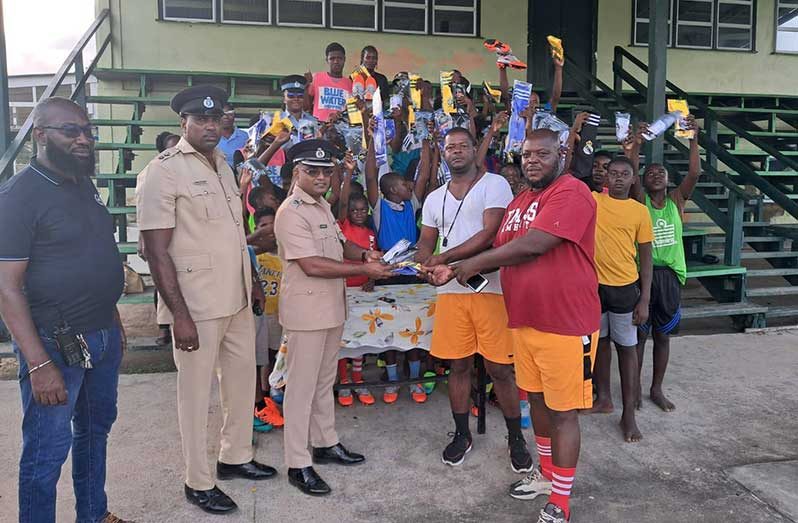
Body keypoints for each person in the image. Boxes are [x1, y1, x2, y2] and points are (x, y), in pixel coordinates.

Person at [431, 129, 601, 523]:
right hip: (524, 320)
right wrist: (453, 267)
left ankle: (561, 501)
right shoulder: (521, 199)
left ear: (561, 154)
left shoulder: (570, 191)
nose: (532, 161)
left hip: (565, 322)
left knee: (564, 412)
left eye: (542, 154)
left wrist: (469, 266)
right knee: (538, 402)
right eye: (527, 155)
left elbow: (535, 244)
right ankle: (545, 475)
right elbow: (498, 247)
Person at [136, 85, 275, 515]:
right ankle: (197, 480)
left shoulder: (224, 166)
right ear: (184, 124)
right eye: (201, 120)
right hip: (195, 305)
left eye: (217, 120)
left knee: (239, 383)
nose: (211, 126)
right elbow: (155, 251)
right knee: (195, 395)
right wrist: (178, 315)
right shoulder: (162, 171)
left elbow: (235, 233)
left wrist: (251, 278)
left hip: (234, 298)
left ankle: (235, 457)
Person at [0, 97, 128, 523]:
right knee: (46, 450)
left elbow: (97, 256)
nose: (83, 139)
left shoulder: (81, 184)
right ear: (40, 135)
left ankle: (93, 515)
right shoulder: (20, 195)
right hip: (54, 344)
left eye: (87, 131)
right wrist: (37, 363)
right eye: (70, 130)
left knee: (95, 432)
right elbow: (7, 287)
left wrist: (114, 319)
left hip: (102, 334)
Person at [274, 139, 394, 497]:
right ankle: (297, 462)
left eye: (326, 171)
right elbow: (311, 264)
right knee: (300, 388)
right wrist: (362, 267)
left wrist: (366, 252)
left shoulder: (322, 207)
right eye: (313, 171)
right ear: (297, 173)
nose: (322, 177)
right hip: (307, 311)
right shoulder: (291, 211)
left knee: (324, 382)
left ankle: (325, 443)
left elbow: (342, 244)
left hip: (330, 308)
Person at [416, 126, 532, 472]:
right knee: (459, 365)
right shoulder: (435, 197)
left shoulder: (494, 184)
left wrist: (442, 260)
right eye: (450, 147)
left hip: (490, 289)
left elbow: (490, 234)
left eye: (463, 146)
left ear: (474, 150)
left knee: (500, 369)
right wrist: (425, 262)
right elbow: (426, 240)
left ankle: (515, 438)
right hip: (451, 292)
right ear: (443, 152)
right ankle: (462, 434)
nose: (456, 151)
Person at [634, 116, 701, 412]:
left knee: (663, 336)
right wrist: (635, 144)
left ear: (668, 180)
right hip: (643, 276)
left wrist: (693, 139)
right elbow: (632, 175)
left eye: (661, 172)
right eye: (651, 173)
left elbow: (695, 173)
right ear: (645, 181)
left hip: (670, 278)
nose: (656, 175)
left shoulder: (677, 200)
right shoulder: (640, 201)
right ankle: (633, 389)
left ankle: (656, 388)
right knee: (639, 336)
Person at [587, 156, 653, 444]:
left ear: (633, 179)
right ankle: (604, 398)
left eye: (623, 174)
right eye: (612, 173)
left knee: (627, 348)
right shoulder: (592, 201)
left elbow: (647, 259)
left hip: (625, 289)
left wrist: (645, 299)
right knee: (600, 344)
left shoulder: (639, 212)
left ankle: (629, 414)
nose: (616, 178)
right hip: (594, 288)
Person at [336, 152, 376, 407]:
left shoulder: (371, 232)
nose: (359, 213)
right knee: (343, 340)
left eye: (363, 210)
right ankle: (343, 383)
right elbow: (340, 203)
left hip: (363, 292)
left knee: (360, 341)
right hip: (342, 291)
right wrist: (349, 172)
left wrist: (372, 280)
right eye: (354, 210)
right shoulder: (342, 226)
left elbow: (372, 261)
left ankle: (358, 380)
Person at [248, 207, 285, 432]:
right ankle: (254, 408)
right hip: (254, 315)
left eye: (274, 227)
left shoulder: (284, 253)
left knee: (267, 356)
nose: (269, 233)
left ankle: (262, 400)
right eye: (264, 227)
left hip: (274, 315)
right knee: (253, 362)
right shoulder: (250, 251)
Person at [150, 131, 181, 347]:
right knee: (164, 285)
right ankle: (164, 327)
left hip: (185, 242)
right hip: (165, 242)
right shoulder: (155, 174)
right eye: (171, 147)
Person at [306, 42, 352, 123]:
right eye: (332, 58)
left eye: (339, 58)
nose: (336, 61)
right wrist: (306, 85)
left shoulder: (350, 84)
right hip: (319, 128)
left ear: (344, 59)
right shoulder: (316, 78)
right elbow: (306, 106)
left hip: (341, 130)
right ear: (327, 60)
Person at [218, 103, 249, 168]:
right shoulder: (212, 136)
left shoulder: (244, 136)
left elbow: (247, 158)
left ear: (234, 116)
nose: (225, 117)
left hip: (239, 176)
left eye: (229, 114)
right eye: (222, 114)